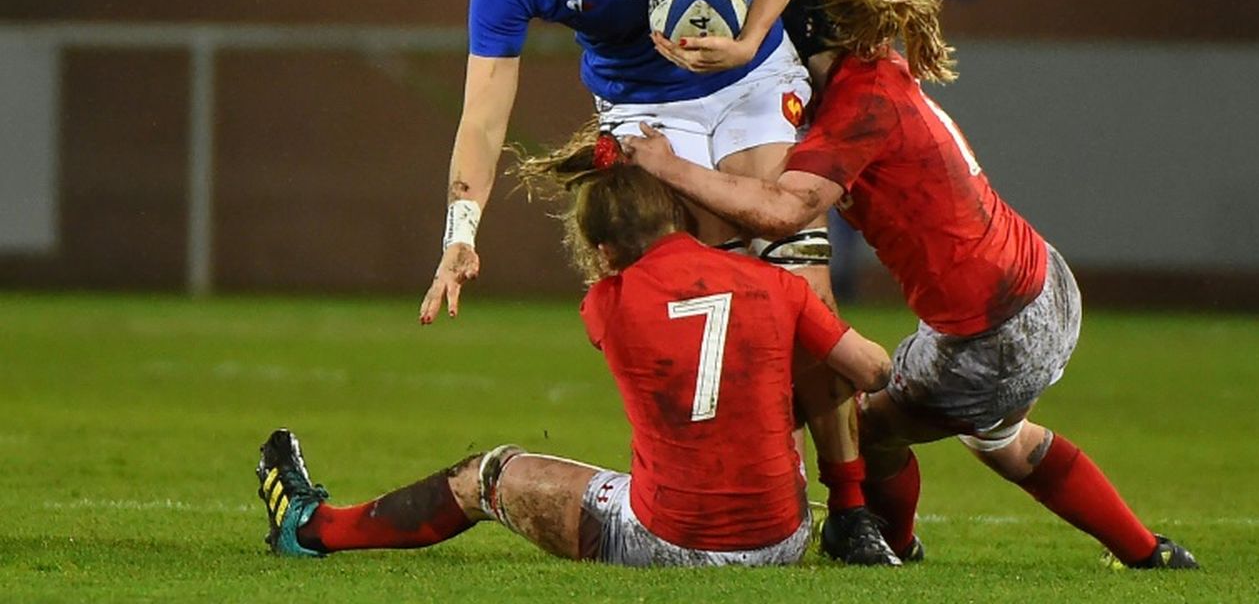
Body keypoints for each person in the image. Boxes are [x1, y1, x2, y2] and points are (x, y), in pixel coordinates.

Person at [623, 0, 1199, 570]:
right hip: (1039, 284)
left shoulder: (855, 110)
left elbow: (781, 212)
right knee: (1002, 440)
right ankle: (1151, 555)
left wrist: (665, 164)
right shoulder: (878, 72)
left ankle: (888, 547)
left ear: (804, 33)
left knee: (868, 427)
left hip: (991, 329)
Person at [417, 0, 897, 565]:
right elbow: (483, 113)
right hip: (644, 114)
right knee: (708, 303)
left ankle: (849, 506)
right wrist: (460, 233)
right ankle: (734, 493)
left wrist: (750, 39)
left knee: (799, 280)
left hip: (749, 80)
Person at [256, 142, 892, 566]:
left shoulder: (607, 305)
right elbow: (873, 370)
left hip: (667, 542)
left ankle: (315, 530)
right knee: (815, 356)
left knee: (487, 475)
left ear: (605, 250)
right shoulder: (776, 284)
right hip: (784, 539)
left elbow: (652, 306)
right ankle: (857, 516)